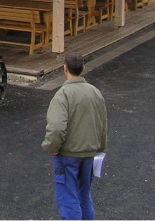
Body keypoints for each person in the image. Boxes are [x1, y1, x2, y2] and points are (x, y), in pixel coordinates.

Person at [41, 52, 108, 220]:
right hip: (89, 154)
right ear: (83, 68)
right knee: (84, 196)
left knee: (68, 199)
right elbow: (102, 122)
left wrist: (51, 147)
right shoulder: (95, 92)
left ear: (65, 68)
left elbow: (57, 128)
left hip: (68, 155)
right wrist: (100, 147)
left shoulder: (63, 95)